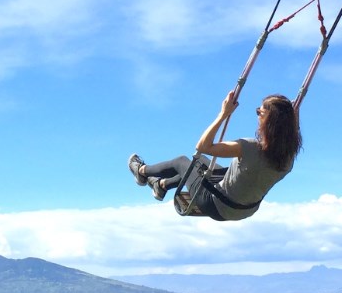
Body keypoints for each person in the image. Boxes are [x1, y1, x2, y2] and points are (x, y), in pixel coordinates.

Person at [127, 90, 301, 221]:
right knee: (201, 164)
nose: (257, 116)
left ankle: (141, 172)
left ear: (269, 121)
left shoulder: (249, 148)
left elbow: (203, 146)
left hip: (217, 205)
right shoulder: (288, 159)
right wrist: (292, 118)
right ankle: (162, 185)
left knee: (183, 162)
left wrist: (223, 114)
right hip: (245, 210)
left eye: (259, 113)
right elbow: (290, 131)